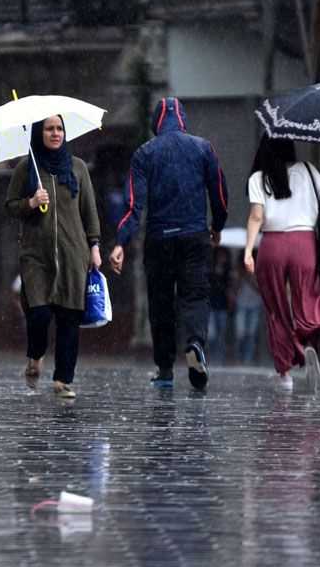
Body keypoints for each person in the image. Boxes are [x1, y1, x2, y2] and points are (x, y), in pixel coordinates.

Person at [109, 97, 229, 391]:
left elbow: (134, 202)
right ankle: (195, 343)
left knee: (161, 303)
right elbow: (220, 193)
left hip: (159, 238)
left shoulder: (144, 154)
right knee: (196, 295)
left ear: (155, 124)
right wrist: (218, 225)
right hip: (194, 235)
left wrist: (121, 241)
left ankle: (164, 369)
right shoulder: (203, 148)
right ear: (183, 120)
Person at [5, 116, 100, 399]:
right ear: (39, 133)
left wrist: (94, 247)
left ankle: (63, 381)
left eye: (59, 128)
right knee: (39, 313)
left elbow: (89, 212)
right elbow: (11, 206)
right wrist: (32, 203)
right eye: (49, 129)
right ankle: (35, 356)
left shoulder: (78, 168)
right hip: (36, 256)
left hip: (73, 254)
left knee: (69, 318)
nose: (55, 133)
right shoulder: (27, 168)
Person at [243, 136, 320, 391]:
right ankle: (308, 343)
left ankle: (285, 374)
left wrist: (248, 251)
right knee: (306, 300)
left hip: (272, 245)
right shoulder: (309, 170)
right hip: (304, 244)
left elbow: (256, 217)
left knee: (276, 308)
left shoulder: (258, 178)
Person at [233, 256, 264, 365]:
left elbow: (261, 290)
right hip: (241, 304)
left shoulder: (259, 270)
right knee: (241, 333)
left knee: (251, 334)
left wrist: (250, 279)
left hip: (255, 305)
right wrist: (240, 277)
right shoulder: (239, 271)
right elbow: (233, 287)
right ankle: (239, 358)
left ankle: (248, 360)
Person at [206, 246, 232, 365]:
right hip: (211, 306)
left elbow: (229, 289)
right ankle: (212, 357)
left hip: (222, 307)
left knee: (220, 335)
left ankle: (219, 359)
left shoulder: (228, 272)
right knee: (211, 335)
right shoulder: (209, 269)